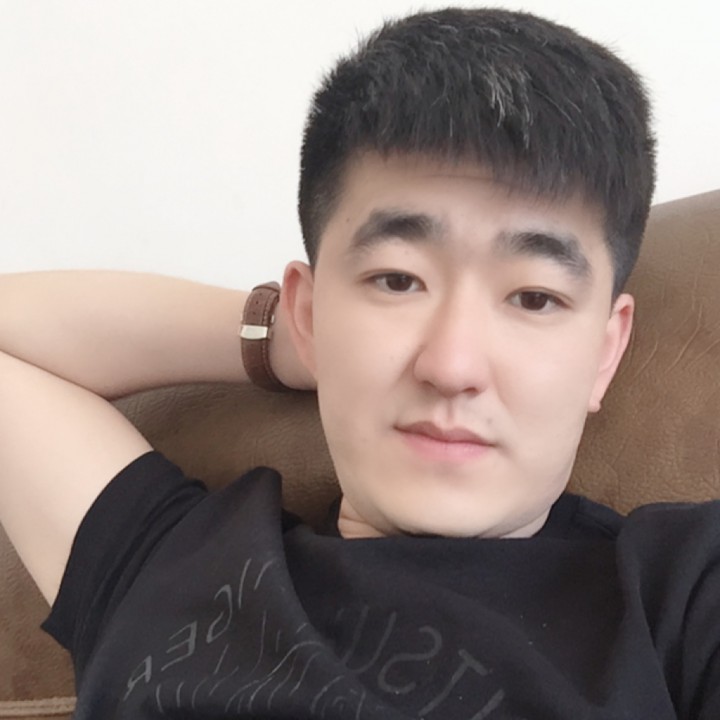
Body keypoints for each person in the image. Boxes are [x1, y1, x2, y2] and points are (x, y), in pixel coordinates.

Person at [1, 6, 717, 719]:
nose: (452, 366)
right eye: (397, 280)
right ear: (310, 312)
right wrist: (292, 340)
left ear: (605, 351)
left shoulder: (682, 594)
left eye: (534, 297)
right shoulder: (174, 565)